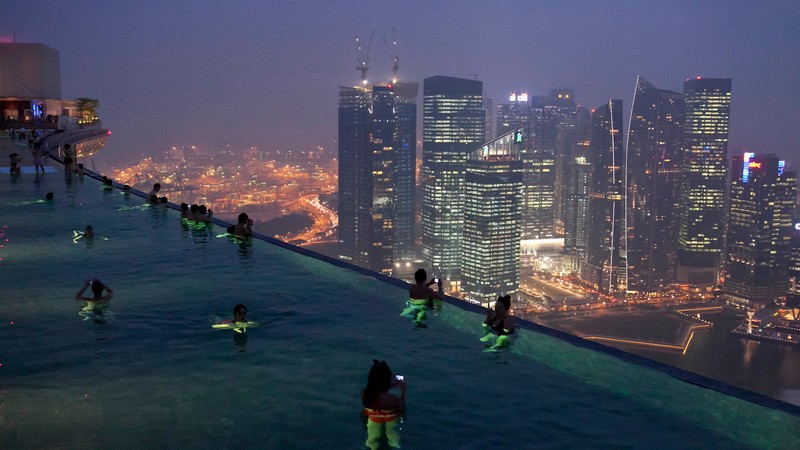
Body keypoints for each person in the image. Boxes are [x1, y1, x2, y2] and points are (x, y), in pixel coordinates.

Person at [361, 360, 405, 450]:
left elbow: (378, 392)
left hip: (373, 417)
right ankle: (395, 445)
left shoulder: (364, 394)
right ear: (387, 380)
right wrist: (403, 389)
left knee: (372, 438)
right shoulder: (392, 398)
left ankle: (371, 446)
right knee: (392, 433)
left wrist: (388, 385)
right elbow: (401, 405)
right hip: (391, 418)